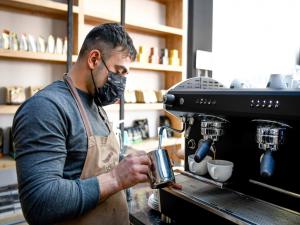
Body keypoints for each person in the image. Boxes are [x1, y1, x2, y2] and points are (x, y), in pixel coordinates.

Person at [12, 23, 161, 225]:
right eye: (118, 71)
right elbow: (39, 203)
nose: (121, 83)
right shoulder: (45, 108)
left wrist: (137, 167)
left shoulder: (96, 105)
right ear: (94, 59)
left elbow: (94, 163)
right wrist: (117, 178)